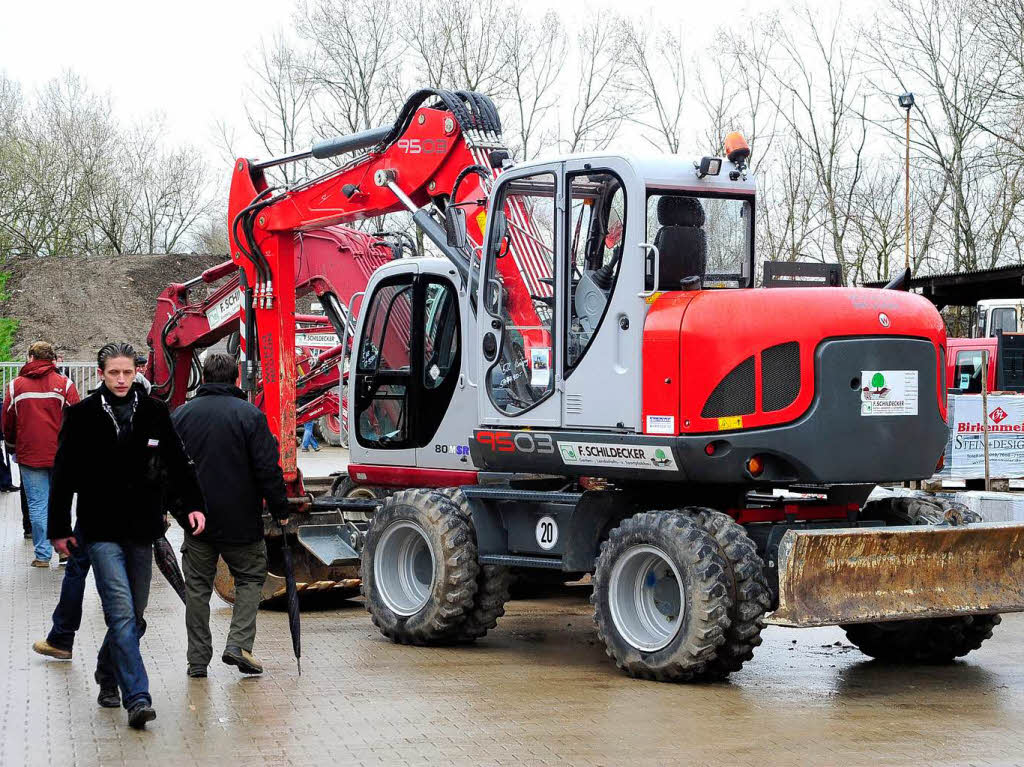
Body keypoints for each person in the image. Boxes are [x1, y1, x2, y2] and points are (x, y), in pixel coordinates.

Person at [48, 342, 206, 729]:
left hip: (142, 528)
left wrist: (192, 507)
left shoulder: (153, 411)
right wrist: (58, 529)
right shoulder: (82, 415)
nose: (121, 379)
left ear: (136, 371)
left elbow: (175, 462)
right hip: (99, 530)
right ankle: (137, 698)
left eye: (128, 372)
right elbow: (64, 475)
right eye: (114, 373)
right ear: (101, 374)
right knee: (119, 613)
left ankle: (106, 673)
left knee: (134, 617)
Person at [171, 353, 290, 678]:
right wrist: (281, 509)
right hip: (242, 522)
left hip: (197, 522)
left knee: (197, 587)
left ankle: (197, 661)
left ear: (204, 377)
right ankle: (238, 644)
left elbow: (167, 469)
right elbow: (268, 468)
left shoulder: (182, 415)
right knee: (251, 578)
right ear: (237, 378)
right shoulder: (250, 415)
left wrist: (178, 511)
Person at [2, 341, 79, 567]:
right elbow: (77, 418)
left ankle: (42, 555)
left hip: (29, 454)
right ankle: (64, 551)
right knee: (61, 503)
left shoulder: (16, 386)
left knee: (37, 505)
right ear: (52, 359)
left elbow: (7, 420)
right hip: (61, 454)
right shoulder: (64, 384)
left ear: (31, 358)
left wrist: (11, 442)